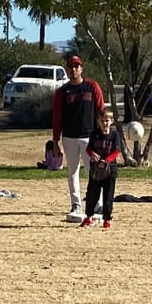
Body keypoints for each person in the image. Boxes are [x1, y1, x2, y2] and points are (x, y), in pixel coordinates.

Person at [50, 55, 104, 222]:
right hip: (69, 137)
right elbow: (57, 117)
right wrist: (55, 141)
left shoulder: (92, 87)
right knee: (73, 171)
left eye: (77, 66)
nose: (74, 69)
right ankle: (76, 204)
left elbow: (101, 110)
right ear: (67, 69)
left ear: (82, 68)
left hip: (89, 137)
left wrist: (103, 134)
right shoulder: (62, 92)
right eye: (70, 66)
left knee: (93, 171)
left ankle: (97, 203)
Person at [81, 106, 126, 230]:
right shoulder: (94, 134)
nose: (104, 123)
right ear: (98, 121)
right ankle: (89, 216)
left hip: (110, 169)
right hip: (95, 169)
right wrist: (92, 154)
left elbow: (117, 151)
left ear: (111, 121)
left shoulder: (115, 135)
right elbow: (88, 148)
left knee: (108, 195)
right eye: (102, 120)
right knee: (91, 194)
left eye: (107, 120)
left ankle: (107, 219)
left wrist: (106, 161)